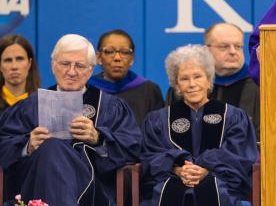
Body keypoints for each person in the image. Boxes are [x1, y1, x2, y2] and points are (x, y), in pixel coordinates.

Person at [0, 34, 141, 206]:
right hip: (37, 185)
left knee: (52, 146)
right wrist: (27, 145)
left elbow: (133, 148)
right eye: (65, 64)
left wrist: (98, 138)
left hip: (92, 191)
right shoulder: (30, 107)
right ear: (53, 65)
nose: (71, 71)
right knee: (51, 147)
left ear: (90, 71)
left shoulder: (110, 107)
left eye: (80, 65)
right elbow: (4, 145)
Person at [141, 44, 258, 205]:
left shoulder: (233, 117)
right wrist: (177, 169)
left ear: (209, 80)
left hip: (219, 184)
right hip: (171, 182)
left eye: (197, 76)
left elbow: (240, 156)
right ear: (177, 86)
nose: (191, 84)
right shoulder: (158, 120)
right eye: (184, 79)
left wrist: (207, 170)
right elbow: (150, 157)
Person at [167, 23, 260, 140]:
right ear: (206, 49)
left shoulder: (258, 85)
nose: (233, 51)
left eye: (238, 46)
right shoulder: (187, 86)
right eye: (224, 47)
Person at [89, 29, 164, 125]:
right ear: (99, 57)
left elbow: (158, 132)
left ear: (132, 59)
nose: (117, 58)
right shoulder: (88, 89)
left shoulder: (149, 90)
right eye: (110, 51)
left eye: (124, 52)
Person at [0, 34, 41, 114]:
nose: (14, 66)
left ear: (29, 63)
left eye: (20, 59)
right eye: (8, 60)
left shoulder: (42, 105)